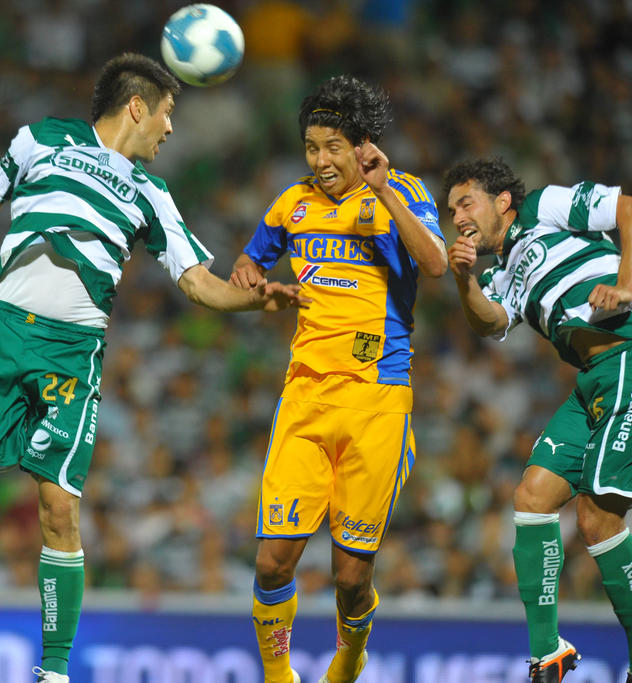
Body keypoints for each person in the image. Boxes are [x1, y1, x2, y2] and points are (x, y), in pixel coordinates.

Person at [0, 52, 309, 683]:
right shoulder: (38, 140)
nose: (170, 131)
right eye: (168, 115)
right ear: (137, 108)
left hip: (71, 352)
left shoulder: (153, 194)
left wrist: (259, 296)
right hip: (1, 335)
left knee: (57, 509)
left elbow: (200, 283)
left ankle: (55, 671)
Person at [229, 75, 447, 683]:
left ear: (363, 147)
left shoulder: (399, 192)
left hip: (376, 401)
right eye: (311, 146)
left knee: (351, 576)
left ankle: (351, 652)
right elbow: (253, 253)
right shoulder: (292, 203)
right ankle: (278, 676)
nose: (321, 161)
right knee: (273, 563)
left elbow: (433, 264)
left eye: (332, 147)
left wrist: (384, 191)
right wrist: (250, 270)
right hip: (303, 396)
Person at [444, 157, 632, 683]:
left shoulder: (541, 205)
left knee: (598, 518)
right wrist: (463, 280)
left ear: (502, 200)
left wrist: (626, 284)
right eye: (451, 209)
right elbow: (490, 323)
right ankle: (547, 652)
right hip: (594, 379)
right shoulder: (500, 271)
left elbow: (625, 207)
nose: (457, 216)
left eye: (466, 203)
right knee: (532, 497)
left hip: (629, 352)